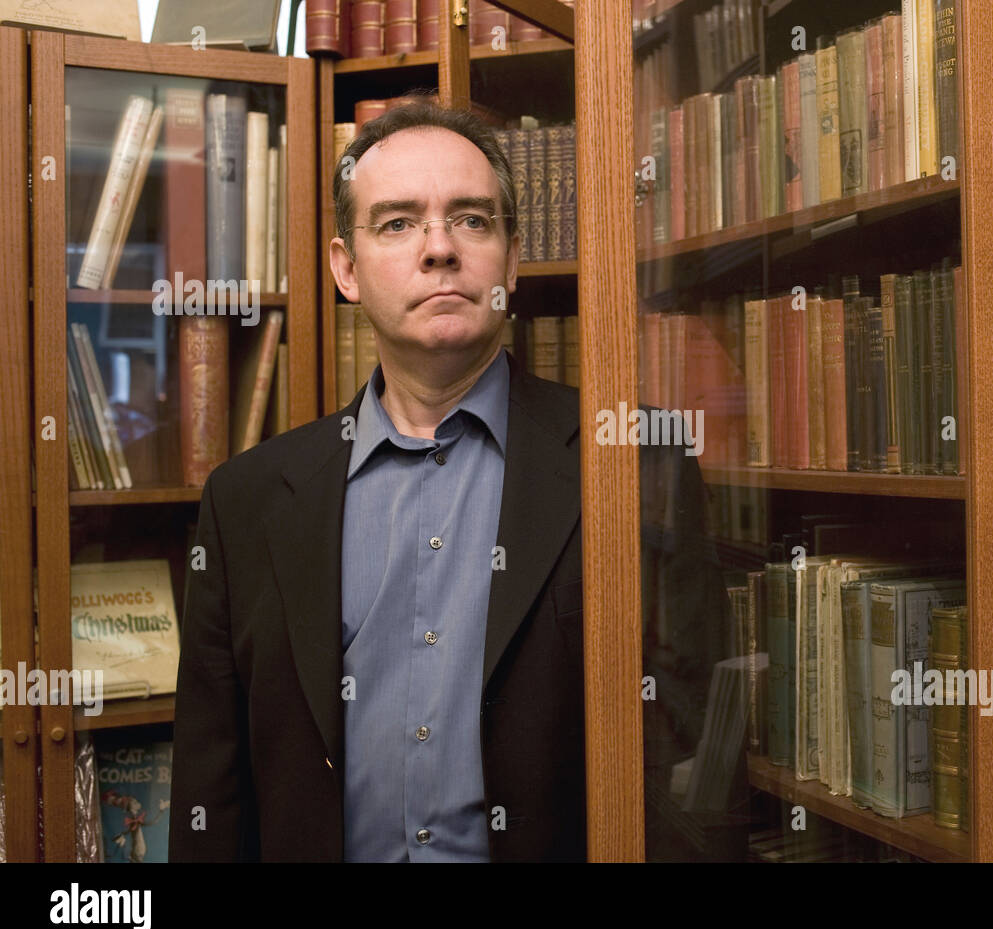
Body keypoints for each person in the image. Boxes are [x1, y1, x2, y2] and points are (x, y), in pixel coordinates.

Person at [169, 97, 731, 862]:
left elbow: (677, 722)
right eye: (398, 223)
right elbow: (213, 789)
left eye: (470, 219)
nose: (439, 248)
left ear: (513, 256)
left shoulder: (636, 460)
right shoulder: (244, 503)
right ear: (346, 268)